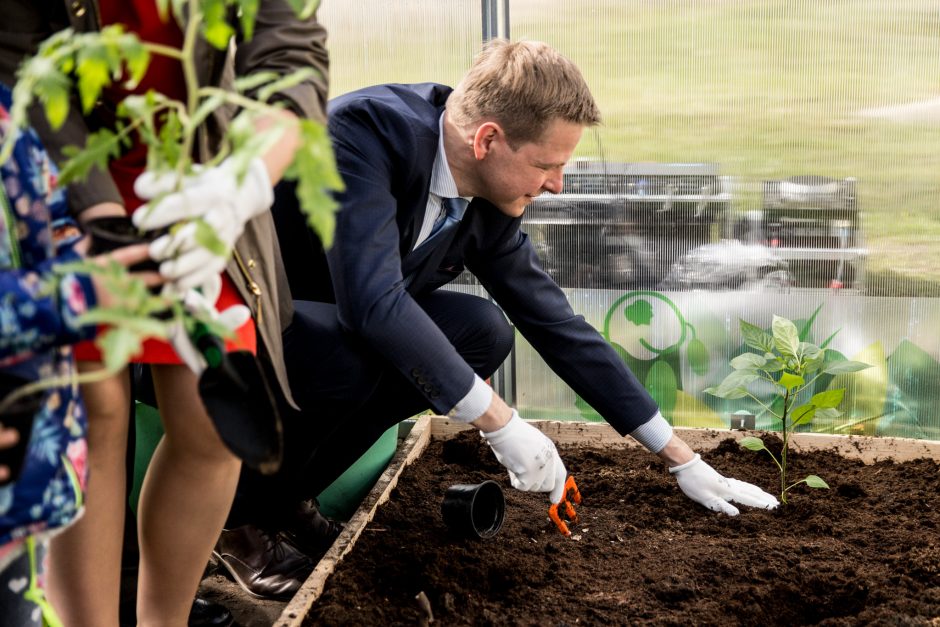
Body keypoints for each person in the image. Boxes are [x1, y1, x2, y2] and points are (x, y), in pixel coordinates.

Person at [239, 38, 779, 566]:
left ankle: (285, 494)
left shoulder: (488, 198)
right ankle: (238, 520)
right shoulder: (361, 135)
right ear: (488, 139)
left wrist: (679, 456)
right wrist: (499, 421)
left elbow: (555, 322)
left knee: (482, 331)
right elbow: (372, 305)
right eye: (548, 165)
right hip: (234, 323)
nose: (558, 186)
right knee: (352, 351)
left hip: (325, 335)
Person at [0, 1, 330, 623]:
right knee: (94, 411)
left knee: (212, 422)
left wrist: (244, 182)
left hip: (200, 181)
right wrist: (99, 216)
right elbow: (27, 70)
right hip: (60, 171)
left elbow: (291, 57)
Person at [0, 82, 157, 625]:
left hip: (28, 480)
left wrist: (97, 247)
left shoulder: (12, 108)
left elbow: (44, 211)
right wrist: (78, 292)